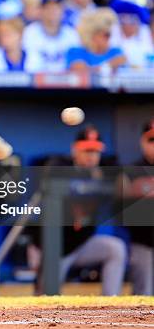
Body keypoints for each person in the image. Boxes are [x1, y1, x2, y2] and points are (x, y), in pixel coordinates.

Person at [27, 126, 128, 296]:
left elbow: (122, 179)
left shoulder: (106, 167)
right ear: (75, 150)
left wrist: (104, 177)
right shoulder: (59, 165)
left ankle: (110, 301)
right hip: (55, 249)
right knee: (45, 296)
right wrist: (34, 246)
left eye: (95, 151)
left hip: (83, 243)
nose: (91, 156)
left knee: (115, 248)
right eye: (86, 150)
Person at [125, 119, 154, 295]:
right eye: (151, 140)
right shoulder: (132, 170)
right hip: (142, 241)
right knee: (144, 295)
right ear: (142, 142)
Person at [22, 0, 79, 72]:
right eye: (48, 8)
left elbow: (76, 65)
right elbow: (29, 67)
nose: (52, 11)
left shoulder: (71, 34)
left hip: (67, 82)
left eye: (56, 7)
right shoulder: (30, 32)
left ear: (62, 10)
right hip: (37, 82)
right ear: (40, 10)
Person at [67, 8, 127, 73]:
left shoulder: (116, 52)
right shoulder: (76, 52)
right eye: (106, 35)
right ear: (92, 35)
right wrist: (108, 66)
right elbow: (81, 73)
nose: (110, 38)